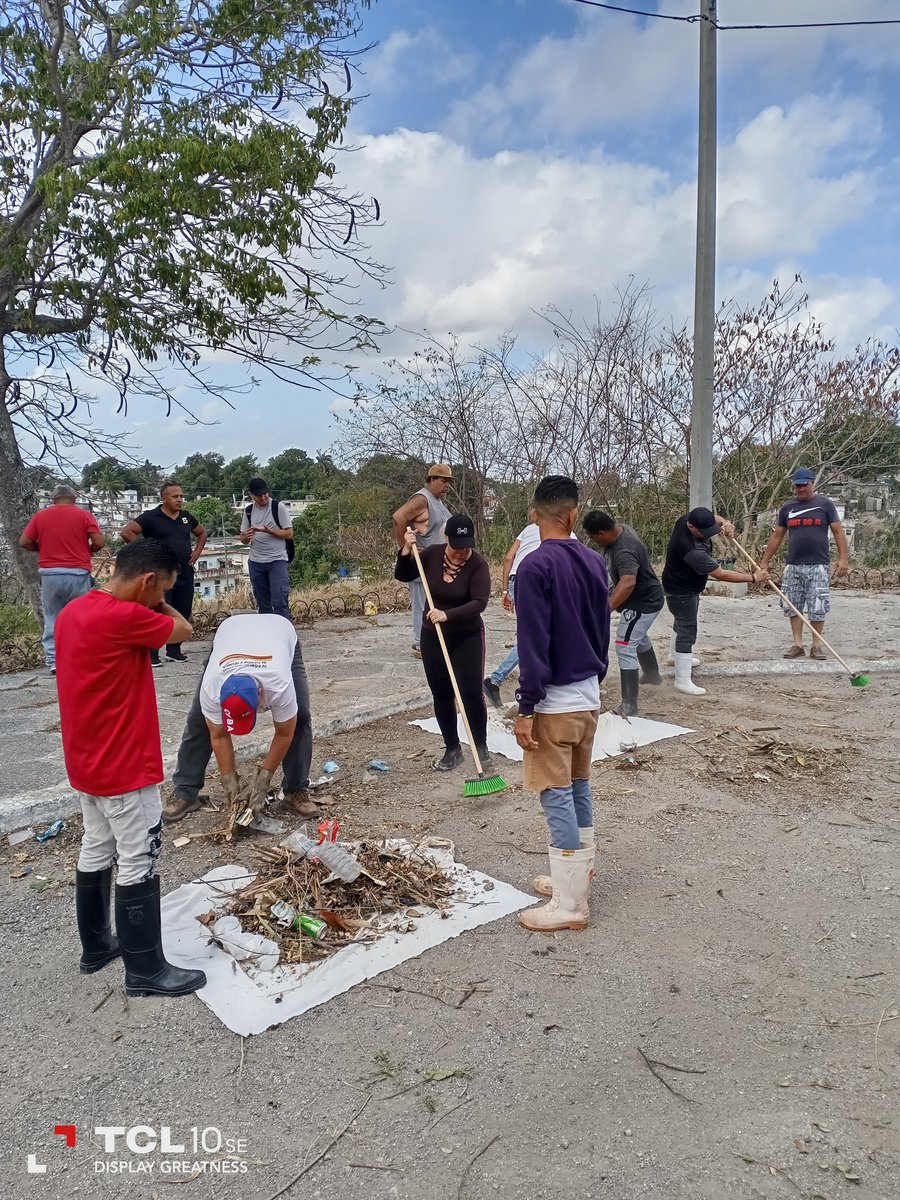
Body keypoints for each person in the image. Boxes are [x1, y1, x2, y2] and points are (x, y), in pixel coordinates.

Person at [54, 539, 206, 998]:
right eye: (161, 589)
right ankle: (145, 969)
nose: (162, 597)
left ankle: (96, 945)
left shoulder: (74, 613)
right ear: (147, 582)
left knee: (97, 846)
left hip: (87, 760)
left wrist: (154, 596)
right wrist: (164, 603)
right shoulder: (127, 617)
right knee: (139, 856)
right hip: (124, 763)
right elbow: (184, 630)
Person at [513, 476, 610, 933]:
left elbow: (533, 643)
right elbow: (603, 629)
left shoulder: (535, 566)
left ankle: (572, 904)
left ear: (536, 516)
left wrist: (526, 706)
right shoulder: (594, 561)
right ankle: (575, 878)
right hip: (588, 693)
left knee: (555, 793)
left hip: (554, 702)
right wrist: (597, 675)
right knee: (579, 786)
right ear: (573, 516)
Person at [164, 613, 315, 822]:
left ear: (261, 698)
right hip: (231, 634)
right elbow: (218, 735)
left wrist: (264, 780)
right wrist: (229, 781)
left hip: (279, 632)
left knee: (301, 716)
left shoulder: (278, 685)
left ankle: (295, 790)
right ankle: (185, 790)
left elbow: (284, 733)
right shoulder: (213, 686)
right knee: (199, 719)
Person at [394, 514, 492, 772]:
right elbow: (403, 574)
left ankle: (481, 747)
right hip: (433, 635)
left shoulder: (478, 565)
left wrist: (447, 614)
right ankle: (452, 748)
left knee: (470, 693)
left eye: (466, 545)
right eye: (457, 544)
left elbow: (479, 603)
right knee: (442, 694)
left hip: (467, 636)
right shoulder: (431, 555)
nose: (462, 551)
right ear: (446, 537)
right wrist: (405, 548)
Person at [662, 507, 768, 696]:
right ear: (691, 526)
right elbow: (721, 574)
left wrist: (725, 523)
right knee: (688, 629)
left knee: (682, 622)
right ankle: (682, 679)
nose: (708, 535)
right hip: (681, 590)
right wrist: (753, 577)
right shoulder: (691, 550)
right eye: (705, 532)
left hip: (688, 586)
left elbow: (715, 518)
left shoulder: (686, 520)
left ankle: (674, 657)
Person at [483, 520, 580, 708]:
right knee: (537, 637)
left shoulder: (527, 529)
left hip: (517, 579)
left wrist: (505, 591)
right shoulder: (567, 533)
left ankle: (538, 683)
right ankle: (496, 680)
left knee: (535, 635)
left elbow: (508, 557)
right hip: (540, 581)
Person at [758, 468, 850, 659]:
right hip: (793, 564)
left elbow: (838, 531)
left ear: (812, 483)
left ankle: (816, 646)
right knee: (793, 604)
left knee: (818, 605)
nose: (801, 489)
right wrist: (764, 562)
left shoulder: (824, 505)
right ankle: (797, 644)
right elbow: (777, 536)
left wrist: (843, 558)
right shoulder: (787, 508)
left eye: (804, 485)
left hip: (818, 564)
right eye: (797, 485)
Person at [582, 510, 664, 716]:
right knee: (637, 636)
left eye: (594, 538)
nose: (594, 542)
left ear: (602, 532)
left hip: (643, 602)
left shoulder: (624, 549)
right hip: (645, 598)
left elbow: (628, 583)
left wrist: (605, 610)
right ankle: (653, 675)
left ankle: (629, 704)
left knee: (625, 645)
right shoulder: (623, 529)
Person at [19, 484, 105, 673]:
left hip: (50, 575)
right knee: (82, 618)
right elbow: (99, 542)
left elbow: (24, 542)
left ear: (53, 499)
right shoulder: (84, 515)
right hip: (78, 574)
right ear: (74, 499)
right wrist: (86, 551)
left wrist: (41, 549)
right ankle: (83, 659)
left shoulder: (40, 516)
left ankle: (54, 662)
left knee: (53, 618)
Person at [120, 480, 207, 665]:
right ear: (164, 498)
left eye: (181, 496)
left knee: (182, 610)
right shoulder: (151, 517)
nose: (180, 500)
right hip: (160, 576)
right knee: (159, 611)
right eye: (175, 496)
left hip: (184, 572)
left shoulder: (186, 517)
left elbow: (201, 533)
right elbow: (127, 532)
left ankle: (174, 650)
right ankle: (152, 653)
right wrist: (147, 554)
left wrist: (197, 552)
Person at [392, 465, 453, 658]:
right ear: (432, 479)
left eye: (449, 482)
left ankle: (431, 639)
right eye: (443, 481)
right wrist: (407, 548)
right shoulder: (421, 498)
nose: (446, 486)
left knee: (434, 602)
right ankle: (420, 644)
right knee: (421, 602)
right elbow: (398, 517)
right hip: (422, 562)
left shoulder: (438, 501)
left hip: (437, 563)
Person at [240, 477, 293, 620]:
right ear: (251, 495)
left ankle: (283, 629)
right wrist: (246, 536)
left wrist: (269, 531)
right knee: (263, 602)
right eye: (259, 495)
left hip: (277, 559)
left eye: (265, 493)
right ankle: (267, 632)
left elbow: (289, 533)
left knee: (279, 598)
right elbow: (243, 539)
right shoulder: (249, 511)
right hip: (256, 561)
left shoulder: (277, 507)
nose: (263, 497)